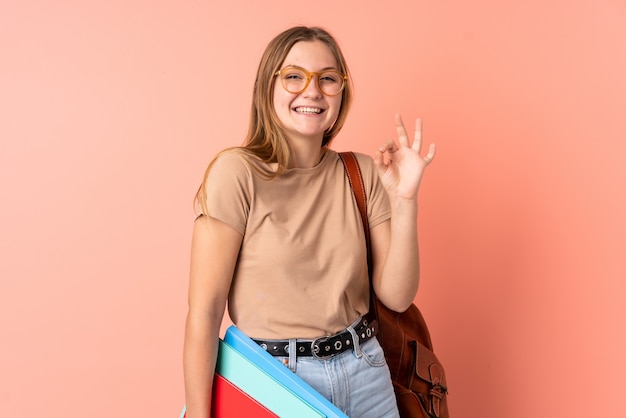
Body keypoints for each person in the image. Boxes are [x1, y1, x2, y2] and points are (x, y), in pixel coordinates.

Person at [183, 26, 436, 418]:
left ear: (342, 92)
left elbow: (397, 296)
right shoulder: (236, 173)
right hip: (278, 382)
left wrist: (404, 201)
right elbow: (204, 313)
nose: (312, 90)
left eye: (328, 78)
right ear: (268, 87)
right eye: (294, 76)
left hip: (366, 373)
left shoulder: (361, 172)